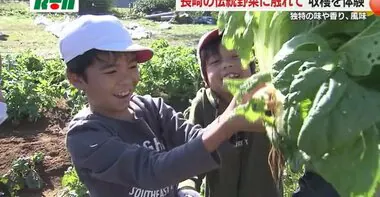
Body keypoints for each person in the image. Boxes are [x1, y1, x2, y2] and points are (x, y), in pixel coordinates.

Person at [59, 15, 270, 197]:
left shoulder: (152, 109)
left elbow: (196, 138)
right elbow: (152, 172)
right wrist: (226, 124)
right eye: (111, 72)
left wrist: (246, 122)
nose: (127, 79)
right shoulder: (85, 136)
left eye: (132, 66)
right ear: (76, 79)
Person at [178, 29, 283, 197]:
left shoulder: (270, 98)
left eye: (235, 56)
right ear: (205, 78)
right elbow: (192, 155)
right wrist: (187, 187)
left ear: (252, 67)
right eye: (215, 61)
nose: (226, 64)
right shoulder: (202, 106)